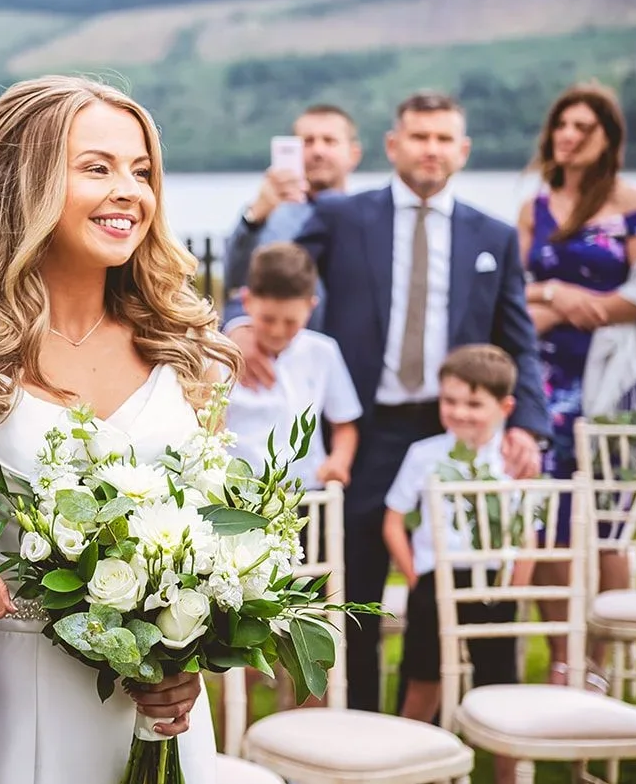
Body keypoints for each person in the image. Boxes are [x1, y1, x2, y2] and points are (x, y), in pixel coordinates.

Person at [0, 75, 234, 784]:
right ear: (29, 184)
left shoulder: (186, 349)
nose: (129, 191)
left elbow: (215, 535)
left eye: (141, 171)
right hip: (12, 697)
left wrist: (188, 652)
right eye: (97, 167)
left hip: (154, 708)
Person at [228, 90, 545, 712]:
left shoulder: (496, 237)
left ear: (463, 150)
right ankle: (359, 735)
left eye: (444, 137)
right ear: (394, 145)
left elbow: (520, 341)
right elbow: (273, 271)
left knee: (465, 590)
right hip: (366, 430)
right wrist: (239, 323)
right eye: (419, 136)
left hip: (454, 433)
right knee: (356, 596)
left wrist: (529, 425)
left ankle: (449, 733)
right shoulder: (347, 217)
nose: (431, 148)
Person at [517, 83, 636, 685]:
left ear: (608, 138)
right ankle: (562, 659)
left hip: (615, 387)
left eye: (583, 127)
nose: (568, 136)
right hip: (547, 383)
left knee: (607, 524)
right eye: (561, 125)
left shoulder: (635, 204)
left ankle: (603, 661)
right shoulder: (535, 208)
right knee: (548, 524)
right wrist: (555, 295)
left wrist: (584, 305)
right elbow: (517, 297)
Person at [382, 344, 520, 784]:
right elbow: (394, 521)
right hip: (434, 583)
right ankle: (412, 770)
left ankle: (506, 775)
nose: (459, 412)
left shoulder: (513, 463)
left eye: (474, 403)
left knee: (500, 690)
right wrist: (416, 574)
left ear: (505, 407)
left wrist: (515, 586)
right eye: (450, 401)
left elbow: (526, 536)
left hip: (494, 587)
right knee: (423, 681)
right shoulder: (425, 454)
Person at [225, 242, 361, 489]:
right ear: (247, 301)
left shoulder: (323, 352)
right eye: (267, 319)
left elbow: (344, 425)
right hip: (238, 496)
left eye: (290, 322)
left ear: (311, 306)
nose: (277, 331)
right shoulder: (221, 355)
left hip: (305, 493)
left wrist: (338, 461)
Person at [220, 104, 363, 326]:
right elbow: (236, 283)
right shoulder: (271, 217)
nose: (318, 151)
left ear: (354, 154)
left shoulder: (367, 218)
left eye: (329, 141)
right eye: (308, 141)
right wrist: (256, 216)